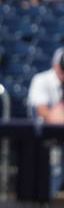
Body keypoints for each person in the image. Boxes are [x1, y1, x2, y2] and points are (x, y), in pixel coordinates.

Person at [27, 47, 64, 197]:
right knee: (54, 163)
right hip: (44, 136)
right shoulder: (41, 79)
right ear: (54, 65)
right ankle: (46, 201)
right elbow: (44, 113)